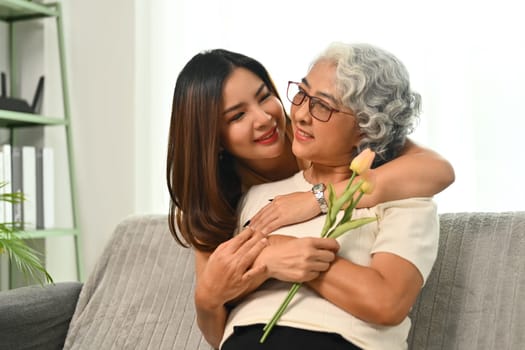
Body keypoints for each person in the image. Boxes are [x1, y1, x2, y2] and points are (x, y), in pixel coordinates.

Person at [166, 48, 453, 349]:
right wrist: (245, 274)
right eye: (237, 115)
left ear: (365, 126)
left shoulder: (391, 186)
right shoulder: (233, 201)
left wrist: (316, 201)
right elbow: (218, 306)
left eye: (265, 97)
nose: (266, 118)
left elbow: (437, 169)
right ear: (214, 138)